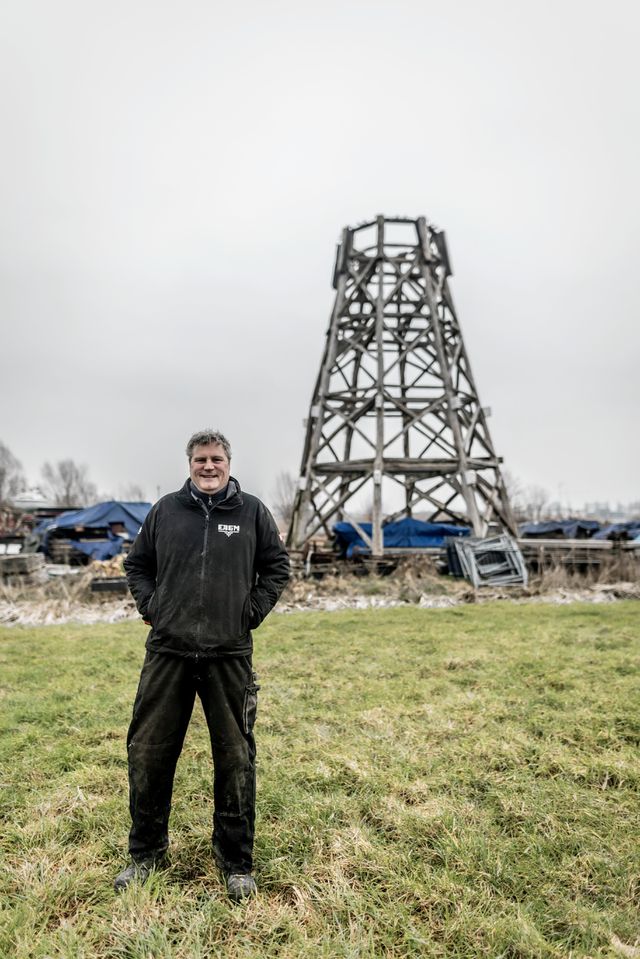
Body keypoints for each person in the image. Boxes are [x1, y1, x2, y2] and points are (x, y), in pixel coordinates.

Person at [114, 429, 290, 900]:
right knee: (148, 753)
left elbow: (277, 568)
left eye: (215, 459)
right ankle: (146, 855)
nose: (207, 466)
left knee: (235, 758)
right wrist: (152, 607)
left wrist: (247, 614)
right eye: (199, 460)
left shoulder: (251, 512)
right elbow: (137, 565)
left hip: (228, 655)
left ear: (228, 463)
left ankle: (235, 863)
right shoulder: (166, 511)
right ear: (189, 464)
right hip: (168, 652)